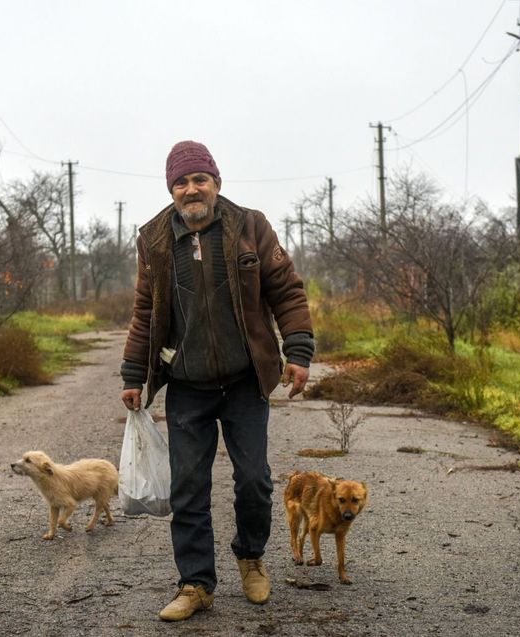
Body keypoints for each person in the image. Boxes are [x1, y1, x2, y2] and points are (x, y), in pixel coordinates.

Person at [120, 140, 315, 621]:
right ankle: (196, 584)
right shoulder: (154, 240)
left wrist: (299, 350)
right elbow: (145, 311)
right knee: (189, 486)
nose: (191, 190)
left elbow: (286, 289)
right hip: (188, 385)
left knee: (255, 482)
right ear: (171, 190)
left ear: (216, 183)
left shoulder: (250, 226)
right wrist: (132, 373)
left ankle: (250, 558)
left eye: (198, 179)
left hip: (245, 381)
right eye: (181, 182)